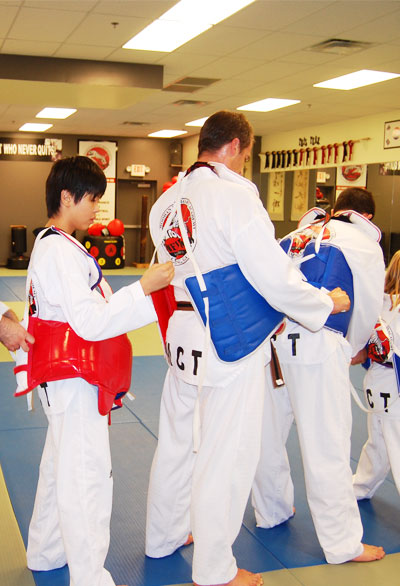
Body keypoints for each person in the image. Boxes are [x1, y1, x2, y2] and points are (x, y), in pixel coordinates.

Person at [145, 110, 350, 586]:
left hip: (181, 334)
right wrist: (324, 302)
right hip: (228, 342)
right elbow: (272, 277)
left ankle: (163, 534)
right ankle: (215, 569)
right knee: (225, 452)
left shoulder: (166, 202)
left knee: (177, 442)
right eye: (246, 154)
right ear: (236, 146)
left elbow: (171, 274)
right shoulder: (234, 195)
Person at [14, 156, 174, 586]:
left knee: (58, 467)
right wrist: (143, 288)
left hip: (61, 376)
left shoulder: (56, 245)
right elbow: (88, 322)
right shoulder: (59, 252)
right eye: (92, 199)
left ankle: (46, 552)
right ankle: (90, 578)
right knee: (86, 477)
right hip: (71, 376)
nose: (97, 209)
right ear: (67, 197)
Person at [252, 188, 386, 565]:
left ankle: (271, 510)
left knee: (268, 432)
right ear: (368, 218)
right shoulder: (363, 244)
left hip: (273, 341)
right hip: (320, 340)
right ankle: (343, 543)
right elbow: (367, 306)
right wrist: (350, 348)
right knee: (327, 444)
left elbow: (265, 282)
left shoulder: (299, 233)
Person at [353, 249, 400, 499]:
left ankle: (361, 486)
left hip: (376, 383)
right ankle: (361, 485)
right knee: (393, 444)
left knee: (379, 443)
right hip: (394, 389)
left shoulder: (377, 305)